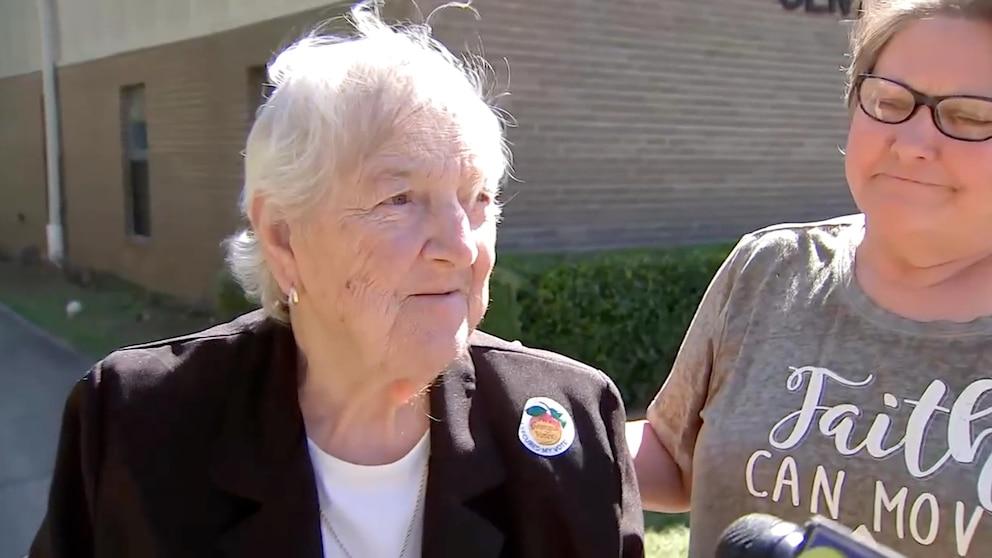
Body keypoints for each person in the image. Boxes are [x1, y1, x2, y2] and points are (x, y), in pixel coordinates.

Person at [29, 4, 643, 557]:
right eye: (399, 198)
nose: (461, 247)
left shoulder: (575, 426)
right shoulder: (139, 427)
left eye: (477, 197)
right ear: (283, 237)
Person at [628, 1, 992, 556]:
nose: (913, 143)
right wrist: (522, 421)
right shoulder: (773, 269)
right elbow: (676, 456)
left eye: (970, 117)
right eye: (889, 102)